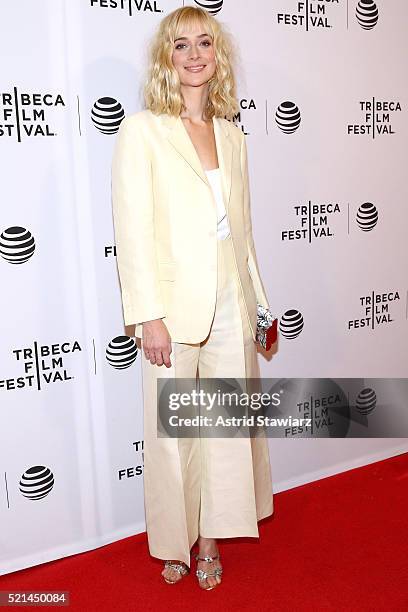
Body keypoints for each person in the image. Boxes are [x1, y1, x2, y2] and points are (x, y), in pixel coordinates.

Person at [111, 6, 273, 590]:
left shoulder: (232, 134)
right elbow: (132, 231)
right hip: (172, 310)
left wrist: (258, 306)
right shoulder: (143, 130)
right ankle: (174, 542)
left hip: (230, 299)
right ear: (166, 57)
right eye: (182, 45)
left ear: (217, 54)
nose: (195, 54)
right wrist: (146, 315)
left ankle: (210, 543)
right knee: (174, 432)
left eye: (205, 42)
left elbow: (243, 231)